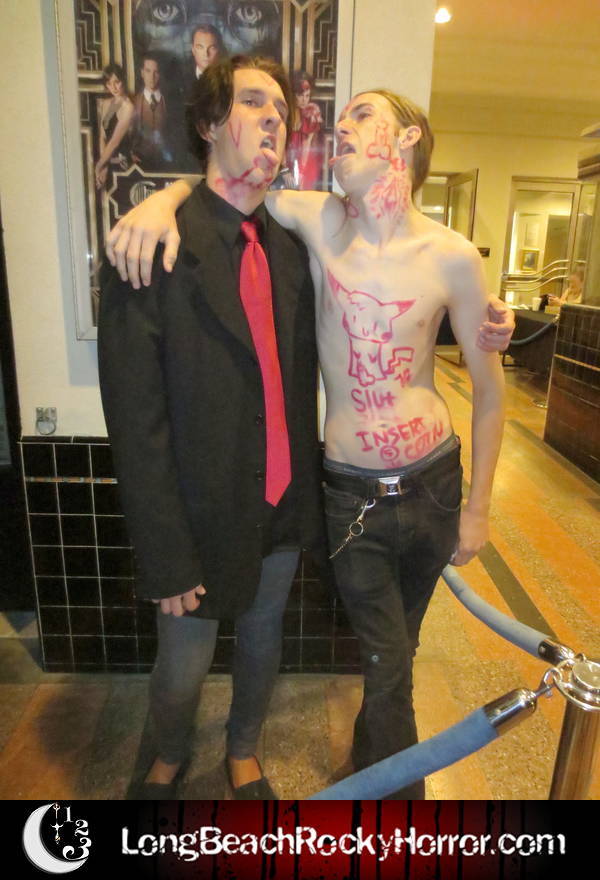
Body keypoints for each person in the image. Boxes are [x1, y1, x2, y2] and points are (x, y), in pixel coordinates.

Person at [106, 86, 511, 799]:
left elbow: (490, 385)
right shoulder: (317, 220)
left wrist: (478, 507)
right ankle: (394, 793)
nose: (340, 126)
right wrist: (160, 198)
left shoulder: (450, 255)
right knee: (385, 659)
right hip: (347, 493)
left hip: (430, 483)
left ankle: (359, 760)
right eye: (341, 116)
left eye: (363, 115)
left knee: (395, 651)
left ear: (407, 138)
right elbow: (227, 186)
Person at [99, 55, 327, 800]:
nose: (273, 119)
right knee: (183, 665)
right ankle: (168, 754)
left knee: (263, 641)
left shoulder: (294, 248)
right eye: (253, 102)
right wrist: (164, 553)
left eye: (281, 110)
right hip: (196, 516)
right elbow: (135, 419)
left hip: (282, 502)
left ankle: (245, 750)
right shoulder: (152, 244)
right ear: (206, 123)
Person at [95, 64, 134, 189]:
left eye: (117, 82)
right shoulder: (106, 103)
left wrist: (98, 166)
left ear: (123, 80)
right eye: (109, 83)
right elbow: (102, 136)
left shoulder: (128, 107)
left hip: (122, 166)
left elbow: (114, 142)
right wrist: (104, 166)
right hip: (106, 162)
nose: (113, 87)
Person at [131, 53, 173, 169]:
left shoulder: (170, 102)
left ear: (160, 74)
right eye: (148, 71)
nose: (152, 76)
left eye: (156, 72)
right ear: (142, 73)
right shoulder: (133, 101)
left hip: (166, 164)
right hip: (140, 162)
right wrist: (130, 153)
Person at [287, 71, 325, 190]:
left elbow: (306, 144)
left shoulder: (311, 112)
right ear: (293, 94)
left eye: (307, 96)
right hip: (287, 156)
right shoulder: (287, 111)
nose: (304, 100)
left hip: (306, 157)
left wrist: (302, 170)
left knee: (303, 188)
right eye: (300, 95)